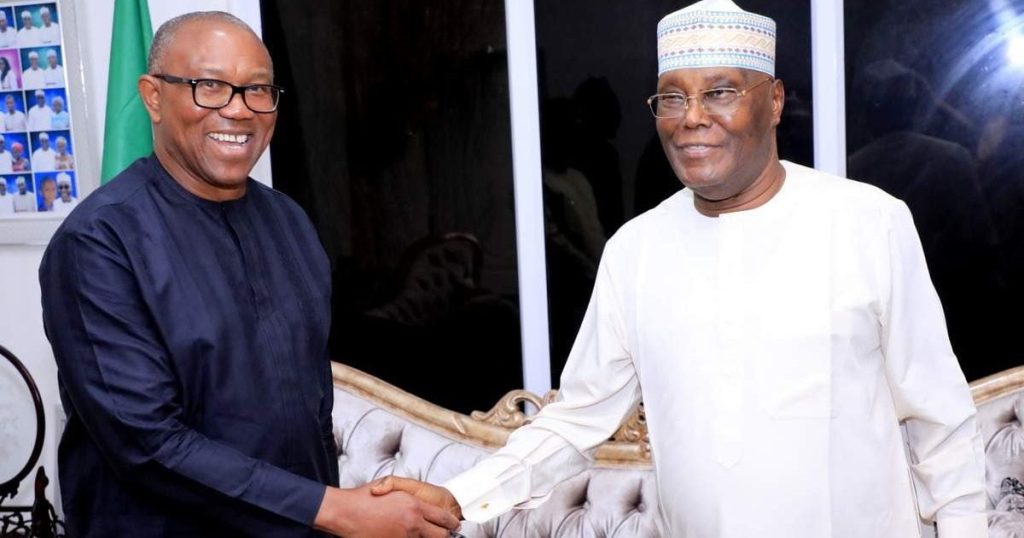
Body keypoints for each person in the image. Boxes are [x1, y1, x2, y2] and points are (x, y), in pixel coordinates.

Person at [373, 1, 989, 537]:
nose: (692, 117)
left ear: (773, 101)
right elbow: (577, 420)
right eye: (673, 96)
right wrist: (462, 495)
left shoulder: (868, 223)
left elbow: (941, 422)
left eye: (720, 92)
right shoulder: (636, 250)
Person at [38, 11, 460, 538]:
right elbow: (147, 445)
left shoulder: (289, 221)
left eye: (258, 90)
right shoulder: (98, 244)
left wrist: (375, 500)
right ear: (152, 96)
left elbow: (306, 409)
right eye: (209, 86)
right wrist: (336, 509)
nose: (239, 111)